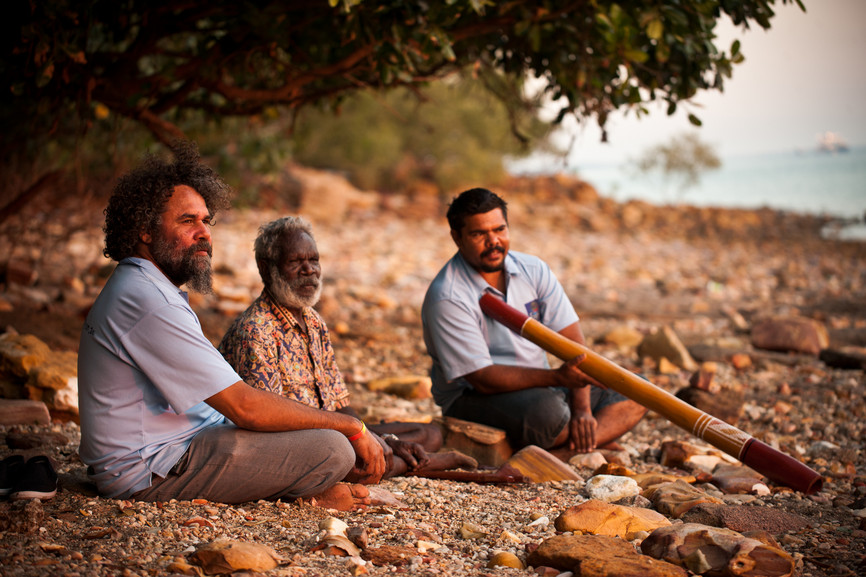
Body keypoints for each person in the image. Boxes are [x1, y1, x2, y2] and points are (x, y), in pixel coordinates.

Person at [77, 142, 385, 507]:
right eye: (187, 221)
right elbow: (244, 407)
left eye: (206, 221)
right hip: (149, 471)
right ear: (144, 230)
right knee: (333, 449)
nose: (204, 232)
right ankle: (305, 497)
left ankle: (304, 488)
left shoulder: (146, 286)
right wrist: (350, 427)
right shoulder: (148, 299)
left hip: (180, 445)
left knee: (329, 436)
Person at [218, 216, 476, 477]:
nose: (309, 270)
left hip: (332, 428)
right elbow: (266, 421)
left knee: (426, 434)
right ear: (266, 268)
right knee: (348, 458)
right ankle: (426, 465)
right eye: (296, 262)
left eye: (314, 260)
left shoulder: (313, 321)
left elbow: (339, 404)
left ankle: (400, 459)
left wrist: (383, 439)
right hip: (290, 442)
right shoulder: (255, 330)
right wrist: (365, 439)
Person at [421, 188, 646, 456]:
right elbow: (482, 378)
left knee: (637, 388)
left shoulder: (533, 269)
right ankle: (590, 441)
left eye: (499, 229)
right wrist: (558, 378)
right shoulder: (447, 295)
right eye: (478, 234)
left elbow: (575, 344)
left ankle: (563, 454)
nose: (493, 241)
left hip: (543, 385)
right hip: (474, 398)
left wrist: (583, 410)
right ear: (457, 237)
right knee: (550, 417)